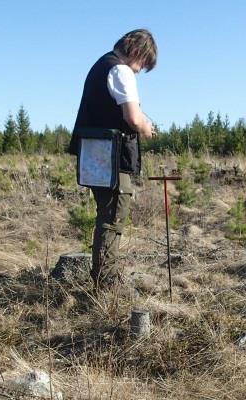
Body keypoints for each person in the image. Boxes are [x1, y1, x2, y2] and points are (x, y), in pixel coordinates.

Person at [68, 29, 157, 289]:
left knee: (106, 215)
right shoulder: (121, 70)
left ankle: (104, 277)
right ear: (136, 51)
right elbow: (132, 116)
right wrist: (146, 127)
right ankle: (108, 284)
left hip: (96, 157)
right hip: (111, 158)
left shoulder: (101, 65)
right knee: (112, 218)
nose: (140, 70)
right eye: (143, 64)